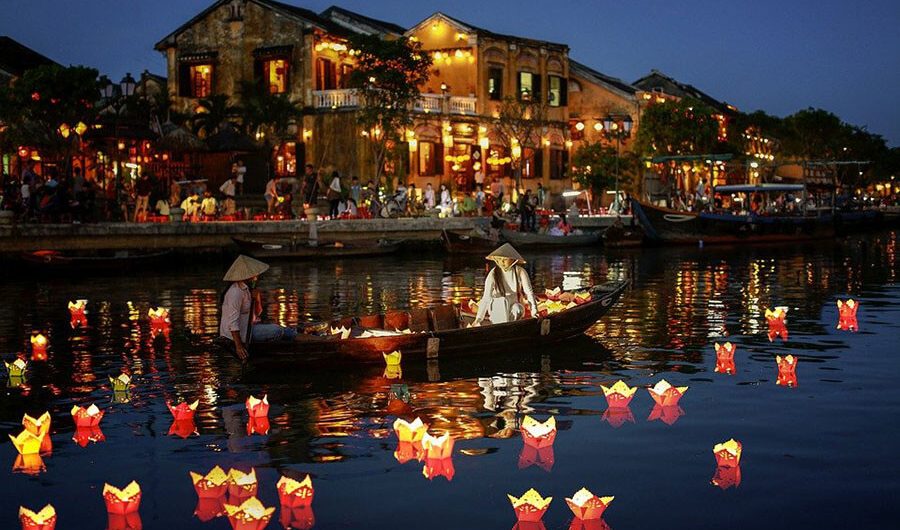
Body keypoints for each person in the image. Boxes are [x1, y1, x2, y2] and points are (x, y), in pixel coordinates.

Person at [218, 255, 298, 361]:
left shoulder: (248, 289)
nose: (257, 276)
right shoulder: (235, 292)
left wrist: (257, 299)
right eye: (255, 274)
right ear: (248, 275)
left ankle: (294, 333)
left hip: (249, 327)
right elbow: (233, 323)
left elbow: (258, 312)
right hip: (238, 334)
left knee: (286, 331)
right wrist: (239, 347)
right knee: (277, 330)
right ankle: (297, 335)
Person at [473, 243, 538, 326]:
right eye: (499, 259)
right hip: (497, 308)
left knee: (517, 308)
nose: (501, 262)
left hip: (514, 307)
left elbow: (529, 292)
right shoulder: (493, 273)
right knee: (503, 301)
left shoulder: (520, 271)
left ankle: (510, 327)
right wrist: (478, 318)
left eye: (505, 259)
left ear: (512, 259)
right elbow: (486, 298)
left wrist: (534, 312)